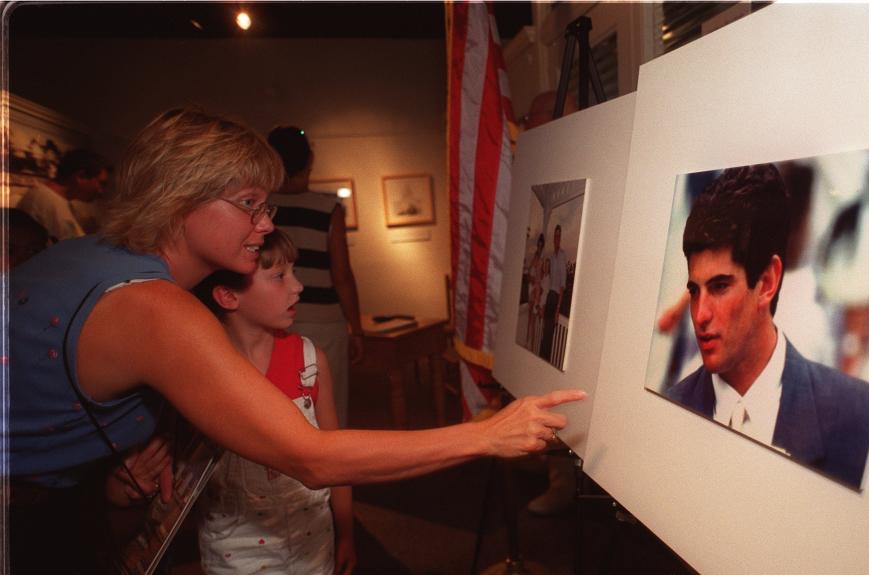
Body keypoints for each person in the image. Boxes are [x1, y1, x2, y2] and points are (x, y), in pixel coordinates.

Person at [8, 107, 584, 572]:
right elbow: (311, 456)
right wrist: (487, 436)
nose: (266, 224)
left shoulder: (87, 255)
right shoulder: (157, 309)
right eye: (250, 205)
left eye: (267, 205)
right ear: (181, 199)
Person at [666, 164, 869, 488]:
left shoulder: (861, 416)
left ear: (767, 281)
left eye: (720, 286)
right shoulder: (671, 410)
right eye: (694, 290)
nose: (700, 314)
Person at [193, 230, 355, 575]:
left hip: (313, 542)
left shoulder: (310, 361)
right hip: (235, 552)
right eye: (279, 276)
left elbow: (336, 455)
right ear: (227, 296)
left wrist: (347, 533)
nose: (297, 286)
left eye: (293, 272)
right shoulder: (201, 371)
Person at [267, 126, 364, 426]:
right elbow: (342, 275)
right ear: (310, 159)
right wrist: (356, 329)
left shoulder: (263, 207)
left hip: (273, 317)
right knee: (329, 407)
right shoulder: (327, 209)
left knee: (281, 404)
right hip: (324, 321)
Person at [17, 147, 110, 242]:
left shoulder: (53, 200)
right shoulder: (45, 201)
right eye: (101, 183)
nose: (101, 191)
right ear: (81, 176)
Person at [538, 224, 567, 362]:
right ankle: (540, 363)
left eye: (559, 235)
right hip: (549, 297)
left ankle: (544, 363)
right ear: (553, 238)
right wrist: (543, 304)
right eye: (555, 235)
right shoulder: (551, 256)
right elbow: (547, 280)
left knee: (549, 336)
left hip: (555, 298)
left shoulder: (562, 256)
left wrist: (557, 310)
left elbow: (562, 285)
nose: (557, 237)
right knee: (545, 333)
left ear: (560, 238)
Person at [526, 233, 545, 350]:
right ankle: (527, 342)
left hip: (536, 291)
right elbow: (528, 273)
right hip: (531, 289)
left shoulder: (542, 260)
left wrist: (539, 288)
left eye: (541, 246)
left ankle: (532, 347)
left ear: (542, 247)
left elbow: (542, 276)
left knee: (532, 319)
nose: (539, 247)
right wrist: (531, 279)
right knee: (529, 318)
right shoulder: (534, 258)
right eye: (538, 245)